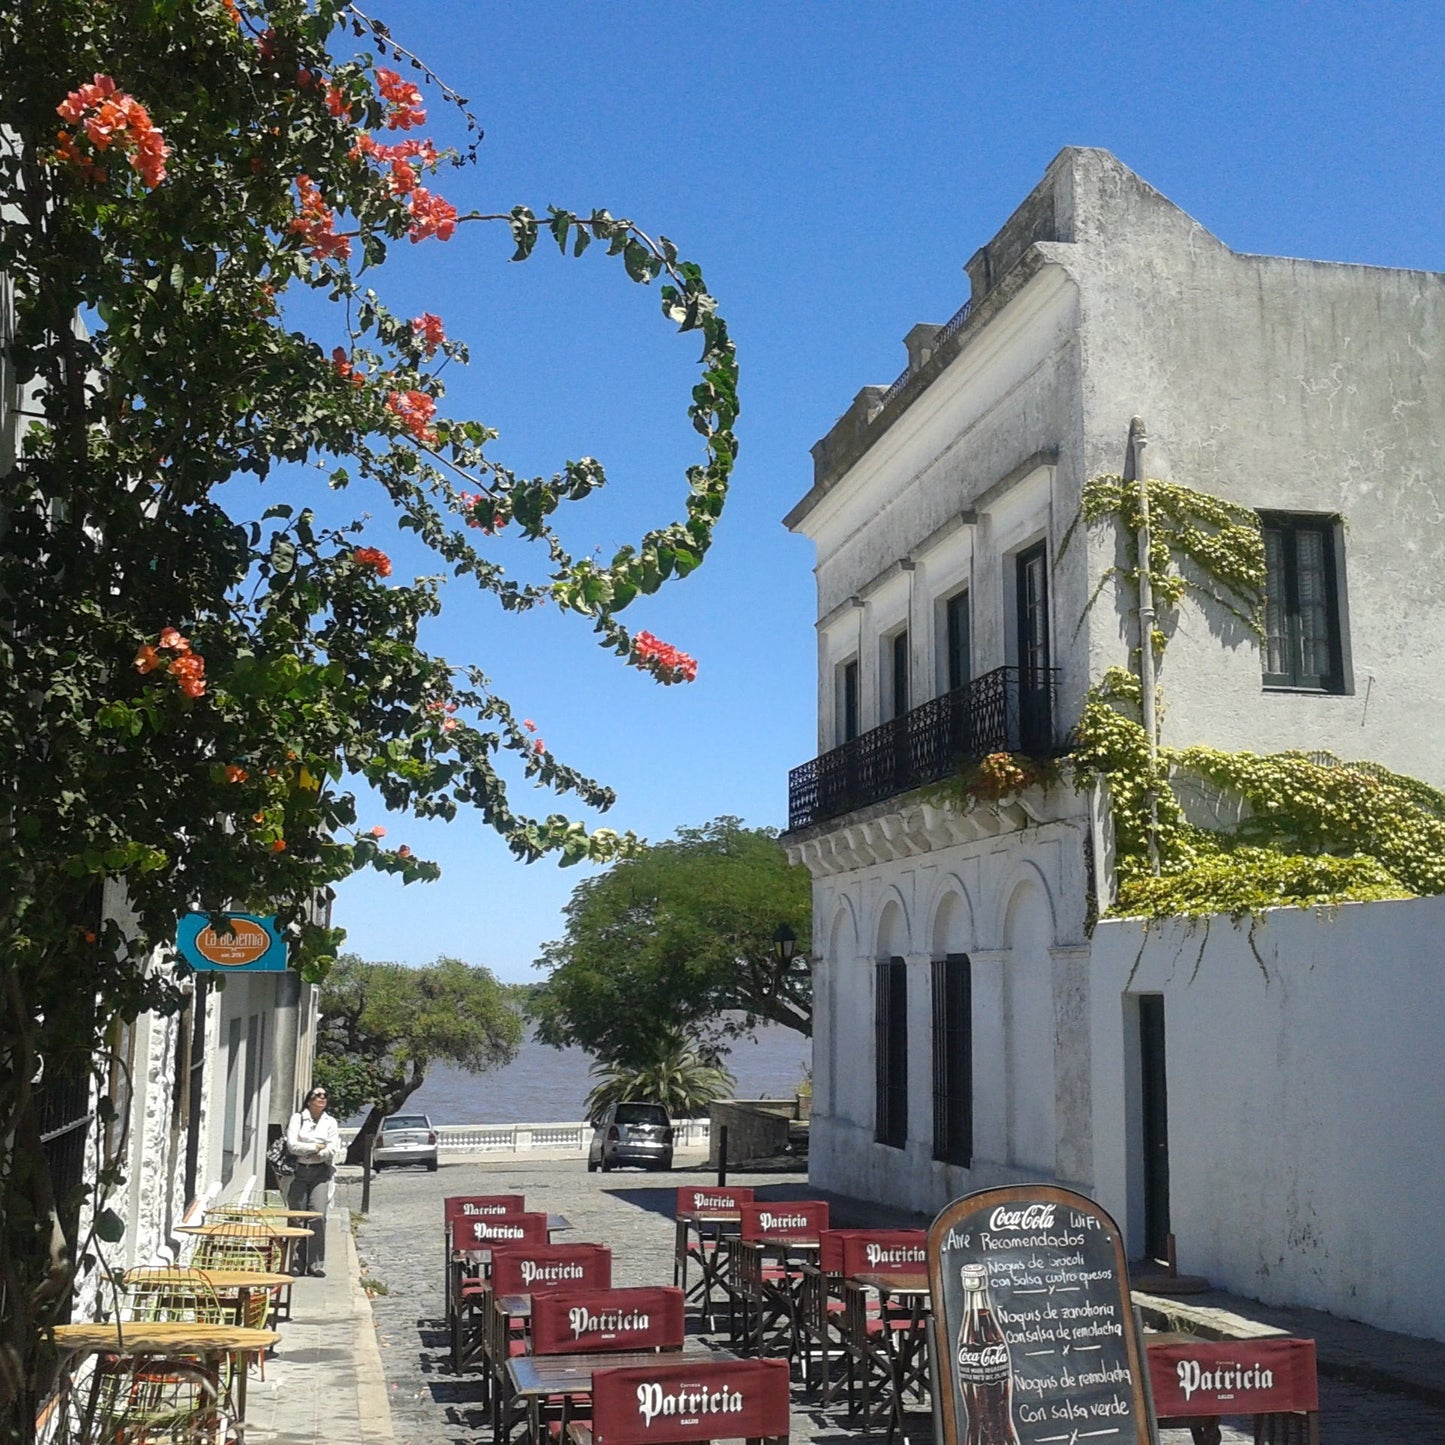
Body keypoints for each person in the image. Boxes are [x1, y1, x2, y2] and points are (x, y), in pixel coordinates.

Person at [286, 1085, 341, 1277]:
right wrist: (316, 1147)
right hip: (299, 1172)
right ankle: (296, 1263)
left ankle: (316, 1264)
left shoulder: (330, 1122)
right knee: (297, 1218)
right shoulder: (298, 1118)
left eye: (325, 1095)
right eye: (317, 1095)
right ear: (309, 1099)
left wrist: (317, 1151)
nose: (322, 1098)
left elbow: (332, 1149)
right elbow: (292, 1145)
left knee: (318, 1216)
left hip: (320, 1173)